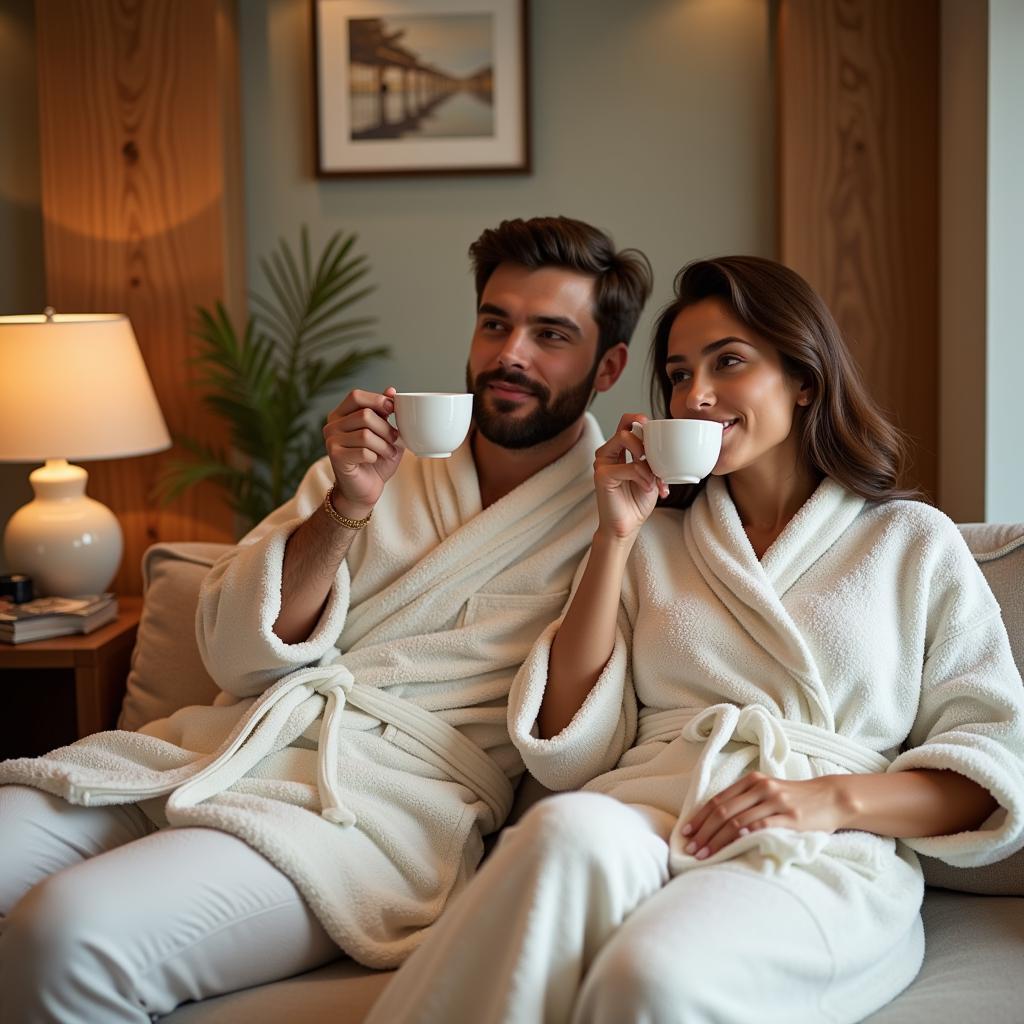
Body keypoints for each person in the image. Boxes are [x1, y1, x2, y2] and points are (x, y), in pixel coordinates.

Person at [0, 216, 653, 1023]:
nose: (509, 354)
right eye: (495, 323)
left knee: (68, 933)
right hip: (217, 749)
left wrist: (616, 536)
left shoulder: (616, 516)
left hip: (367, 815)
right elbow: (237, 657)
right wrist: (347, 502)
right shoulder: (373, 467)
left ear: (608, 364)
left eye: (550, 334)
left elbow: (575, 752)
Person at [364, 256, 1024, 1024]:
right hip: (651, 806)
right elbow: (570, 745)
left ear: (804, 376)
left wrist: (825, 799)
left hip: (817, 848)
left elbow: (990, 763)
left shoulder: (912, 541)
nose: (696, 395)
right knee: (562, 828)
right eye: (679, 374)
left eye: (729, 363)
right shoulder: (654, 541)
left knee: (650, 982)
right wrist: (613, 536)